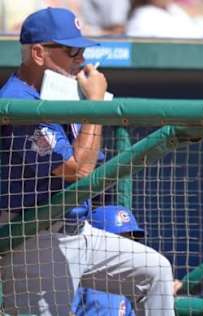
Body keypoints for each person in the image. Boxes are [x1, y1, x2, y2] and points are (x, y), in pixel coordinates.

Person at [0, 8, 175, 315]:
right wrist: (95, 104)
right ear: (38, 53)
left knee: (155, 271)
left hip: (80, 229)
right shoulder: (18, 100)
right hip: (36, 237)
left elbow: (91, 159)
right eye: (72, 51)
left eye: (82, 50)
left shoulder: (58, 91)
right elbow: (78, 170)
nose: (81, 59)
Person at [71, 205, 145, 316]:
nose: (127, 248)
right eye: (119, 240)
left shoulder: (125, 284)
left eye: (130, 241)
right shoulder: (80, 277)